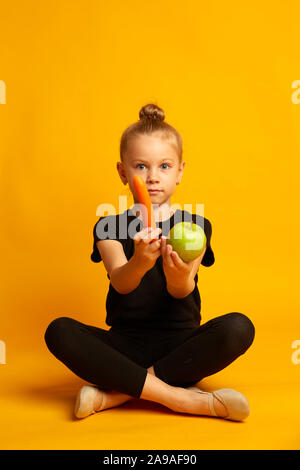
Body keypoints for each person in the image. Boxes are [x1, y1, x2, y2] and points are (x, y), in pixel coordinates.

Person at [44, 103, 255, 422]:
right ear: (122, 172)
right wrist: (140, 262)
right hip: (122, 346)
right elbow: (120, 281)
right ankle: (182, 400)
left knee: (238, 327)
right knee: (58, 331)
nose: (153, 177)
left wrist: (178, 276)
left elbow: (183, 292)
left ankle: (117, 394)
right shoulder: (109, 227)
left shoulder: (196, 226)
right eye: (141, 166)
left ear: (180, 171)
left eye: (165, 166)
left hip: (181, 349)